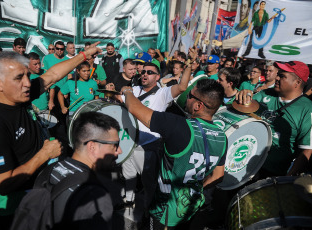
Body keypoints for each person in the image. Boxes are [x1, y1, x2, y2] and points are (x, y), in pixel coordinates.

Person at [0, 43, 101, 229]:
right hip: (16, 210)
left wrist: (84, 55)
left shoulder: (17, 94)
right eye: (19, 78)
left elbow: (52, 76)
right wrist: (44, 154)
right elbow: (3, 184)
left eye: (27, 75)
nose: (27, 83)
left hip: (40, 194)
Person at [121, 78, 227, 228]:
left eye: (190, 95)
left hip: (163, 213)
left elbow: (133, 108)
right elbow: (218, 176)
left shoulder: (178, 125)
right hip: (190, 209)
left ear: (198, 105)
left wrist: (127, 91)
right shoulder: (222, 137)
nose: (186, 98)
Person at [116, 48, 195, 211]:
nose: (145, 74)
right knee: (128, 176)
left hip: (149, 147)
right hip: (129, 142)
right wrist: (114, 91)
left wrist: (189, 66)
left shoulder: (163, 93)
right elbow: (119, 98)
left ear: (158, 77)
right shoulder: (134, 89)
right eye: (143, 71)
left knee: (149, 183)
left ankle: (149, 211)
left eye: (150, 72)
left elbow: (181, 87)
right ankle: (128, 201)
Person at [32, 111, 122, 229]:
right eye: (115, 145)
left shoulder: (48, 171)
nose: (119, 151)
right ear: (92, 147)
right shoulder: (95, 196)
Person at [236, 61, 312, 177]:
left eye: (282, 76)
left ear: (297, 82)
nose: (276, 78)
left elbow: (306, 150)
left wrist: (287, 180)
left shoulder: (307, 109)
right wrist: (244, 96)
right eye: (278, 74)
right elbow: (240, 110)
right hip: (243, 161)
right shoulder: (265, 93)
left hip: (273, 174)